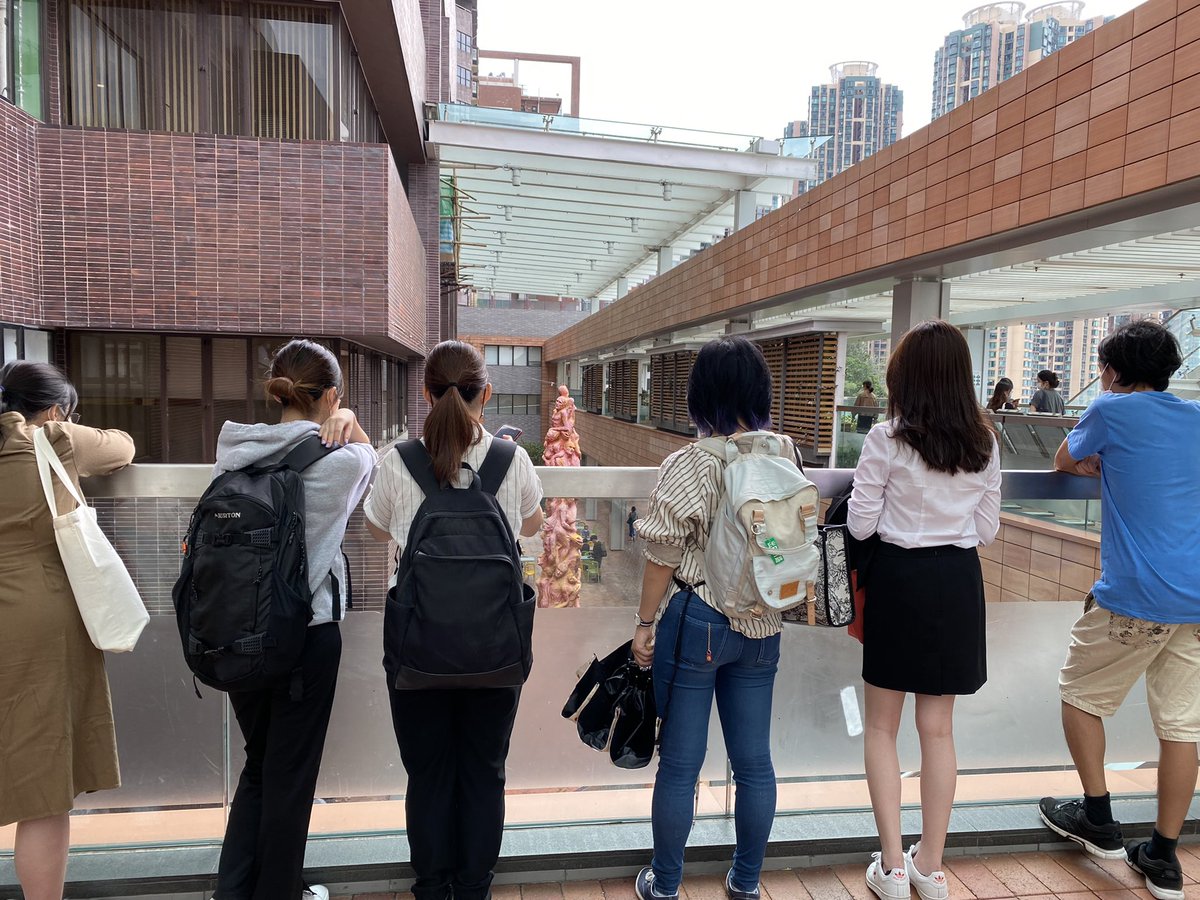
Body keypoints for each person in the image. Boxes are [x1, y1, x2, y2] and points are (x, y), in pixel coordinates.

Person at [364, 340, 544, 900]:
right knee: (485, 772)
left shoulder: (399, 461)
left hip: (418, 649)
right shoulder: (511, 462)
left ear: (426, 394)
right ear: (485, 394)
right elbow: (534, 527)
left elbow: (375, 529)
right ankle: (473, 887)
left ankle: (432, 885)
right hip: (494, 651)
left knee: (428, 774)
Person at [1039, 320, 1200, 900]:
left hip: (1138, 592)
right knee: (1182, 728)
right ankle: (1162, 859)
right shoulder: (1196, 417)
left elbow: (1062, 459)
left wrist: (1098, 463)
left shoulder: (1111, 410)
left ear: (1111, 370)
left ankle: (1098, 818)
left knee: (1080, 695)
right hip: (1197, 597)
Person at [212, 339, 376, 900]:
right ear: (330, 395)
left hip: (236, 634)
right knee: (292, 776)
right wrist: (347, 421)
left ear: (274, 391)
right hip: (304, 638)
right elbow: (371, 460)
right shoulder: (342, 461)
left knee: (259, 767)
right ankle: (279, 892)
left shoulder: (232, 450)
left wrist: (331, 410)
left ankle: (235, 890)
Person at [847, 320, 1001, 900]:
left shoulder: (887, 439)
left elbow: (860, 522)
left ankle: (889, 866)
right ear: (962, 378)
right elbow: (985, 529)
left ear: (903, 377)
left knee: (881, 728)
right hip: (957, 583)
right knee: (938, 732)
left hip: (898, 582)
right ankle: (931, 868)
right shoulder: (984, 442)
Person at [630, 336, 788, 900]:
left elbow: (661, 554)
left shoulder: (689, 463)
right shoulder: (784, 453)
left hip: (698, 619)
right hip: (764, 625)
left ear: (702, 396)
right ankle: (745, 884)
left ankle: (666, 884)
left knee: (679, 764)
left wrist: (644, 624)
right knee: (754, 764)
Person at [0, 361, 136, 900]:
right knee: (43, 786)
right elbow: (121, 446)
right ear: (56, 409)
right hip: (39, 620)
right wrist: (64, 427)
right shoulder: (51, 438)